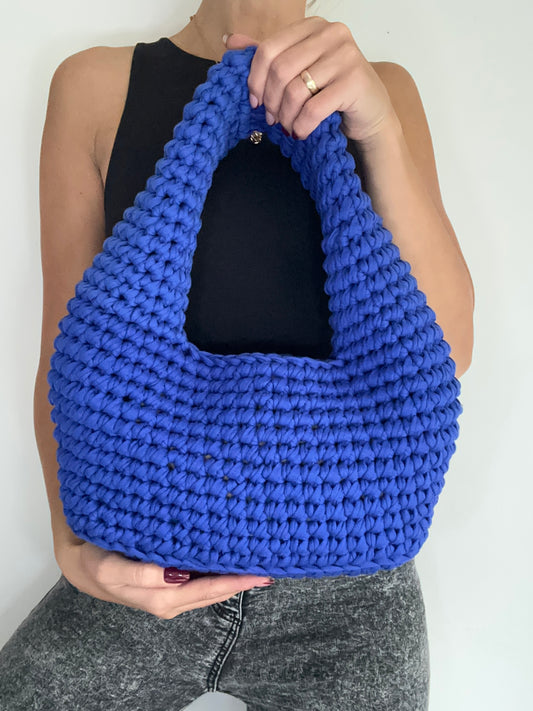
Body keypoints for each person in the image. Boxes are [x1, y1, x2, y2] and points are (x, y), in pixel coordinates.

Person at [0, 0, 475, 709]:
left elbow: (446, 350)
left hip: (348, 599)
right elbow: (68, 356)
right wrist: (69, 546)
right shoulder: (94, 83)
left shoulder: (382, 87)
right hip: (141, 557)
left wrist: (375, 127)